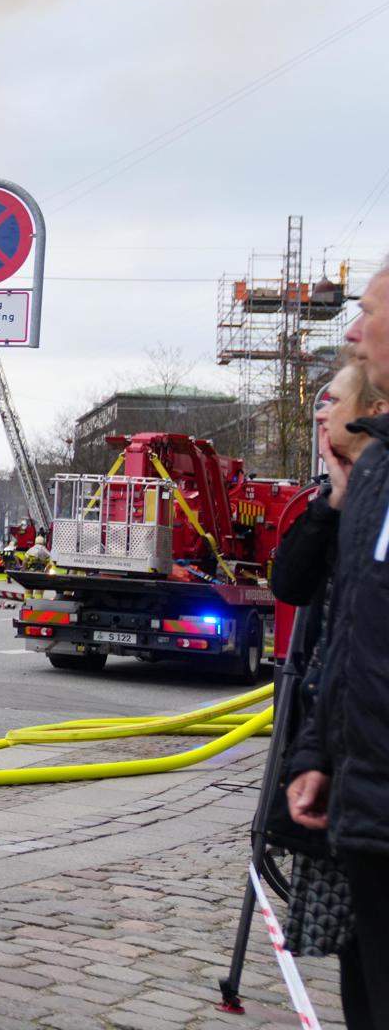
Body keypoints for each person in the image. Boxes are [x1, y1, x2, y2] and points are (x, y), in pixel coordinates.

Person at [288, 266, 389, 1028]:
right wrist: (317, 755)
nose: (352, 330)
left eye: (368, 312)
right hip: (358, 785)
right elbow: (308, 594)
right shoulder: (356, 489)